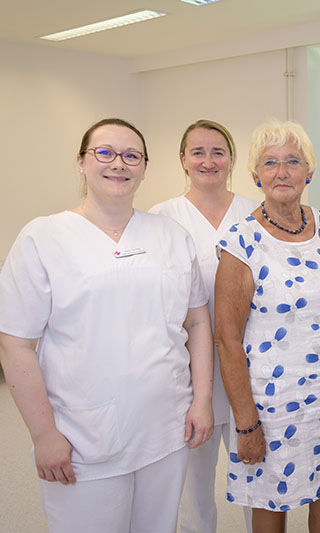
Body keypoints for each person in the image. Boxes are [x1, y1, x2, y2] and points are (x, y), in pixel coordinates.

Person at [0, 118, 214, 532]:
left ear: (145, 167)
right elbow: (16, 345)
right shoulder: (43, 238)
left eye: (132, 155)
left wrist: (201, 399)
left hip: (166, 428)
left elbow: (197, 321)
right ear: (81, 162)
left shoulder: (169, 235)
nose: (119, 164)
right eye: (105, 152)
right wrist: (44, 435)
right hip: (83, 434)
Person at [214, 118, 320, 533]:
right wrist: (246, 423)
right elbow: (226, 340)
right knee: (272, 498)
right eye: (270, 162)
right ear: (255, 175)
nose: (282, 172)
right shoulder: (241, 241)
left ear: (309, 172)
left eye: (293, 161)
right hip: (272, 402)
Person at [150, 119, 259, 533]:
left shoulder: (254, 212)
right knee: (194, 482)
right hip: (189, 370)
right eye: (198, 152)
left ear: (232, 159)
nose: (208, 161)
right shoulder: (161, 218)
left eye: (218, 152)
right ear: (182, 160)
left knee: (256, 472)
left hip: (249, 365)